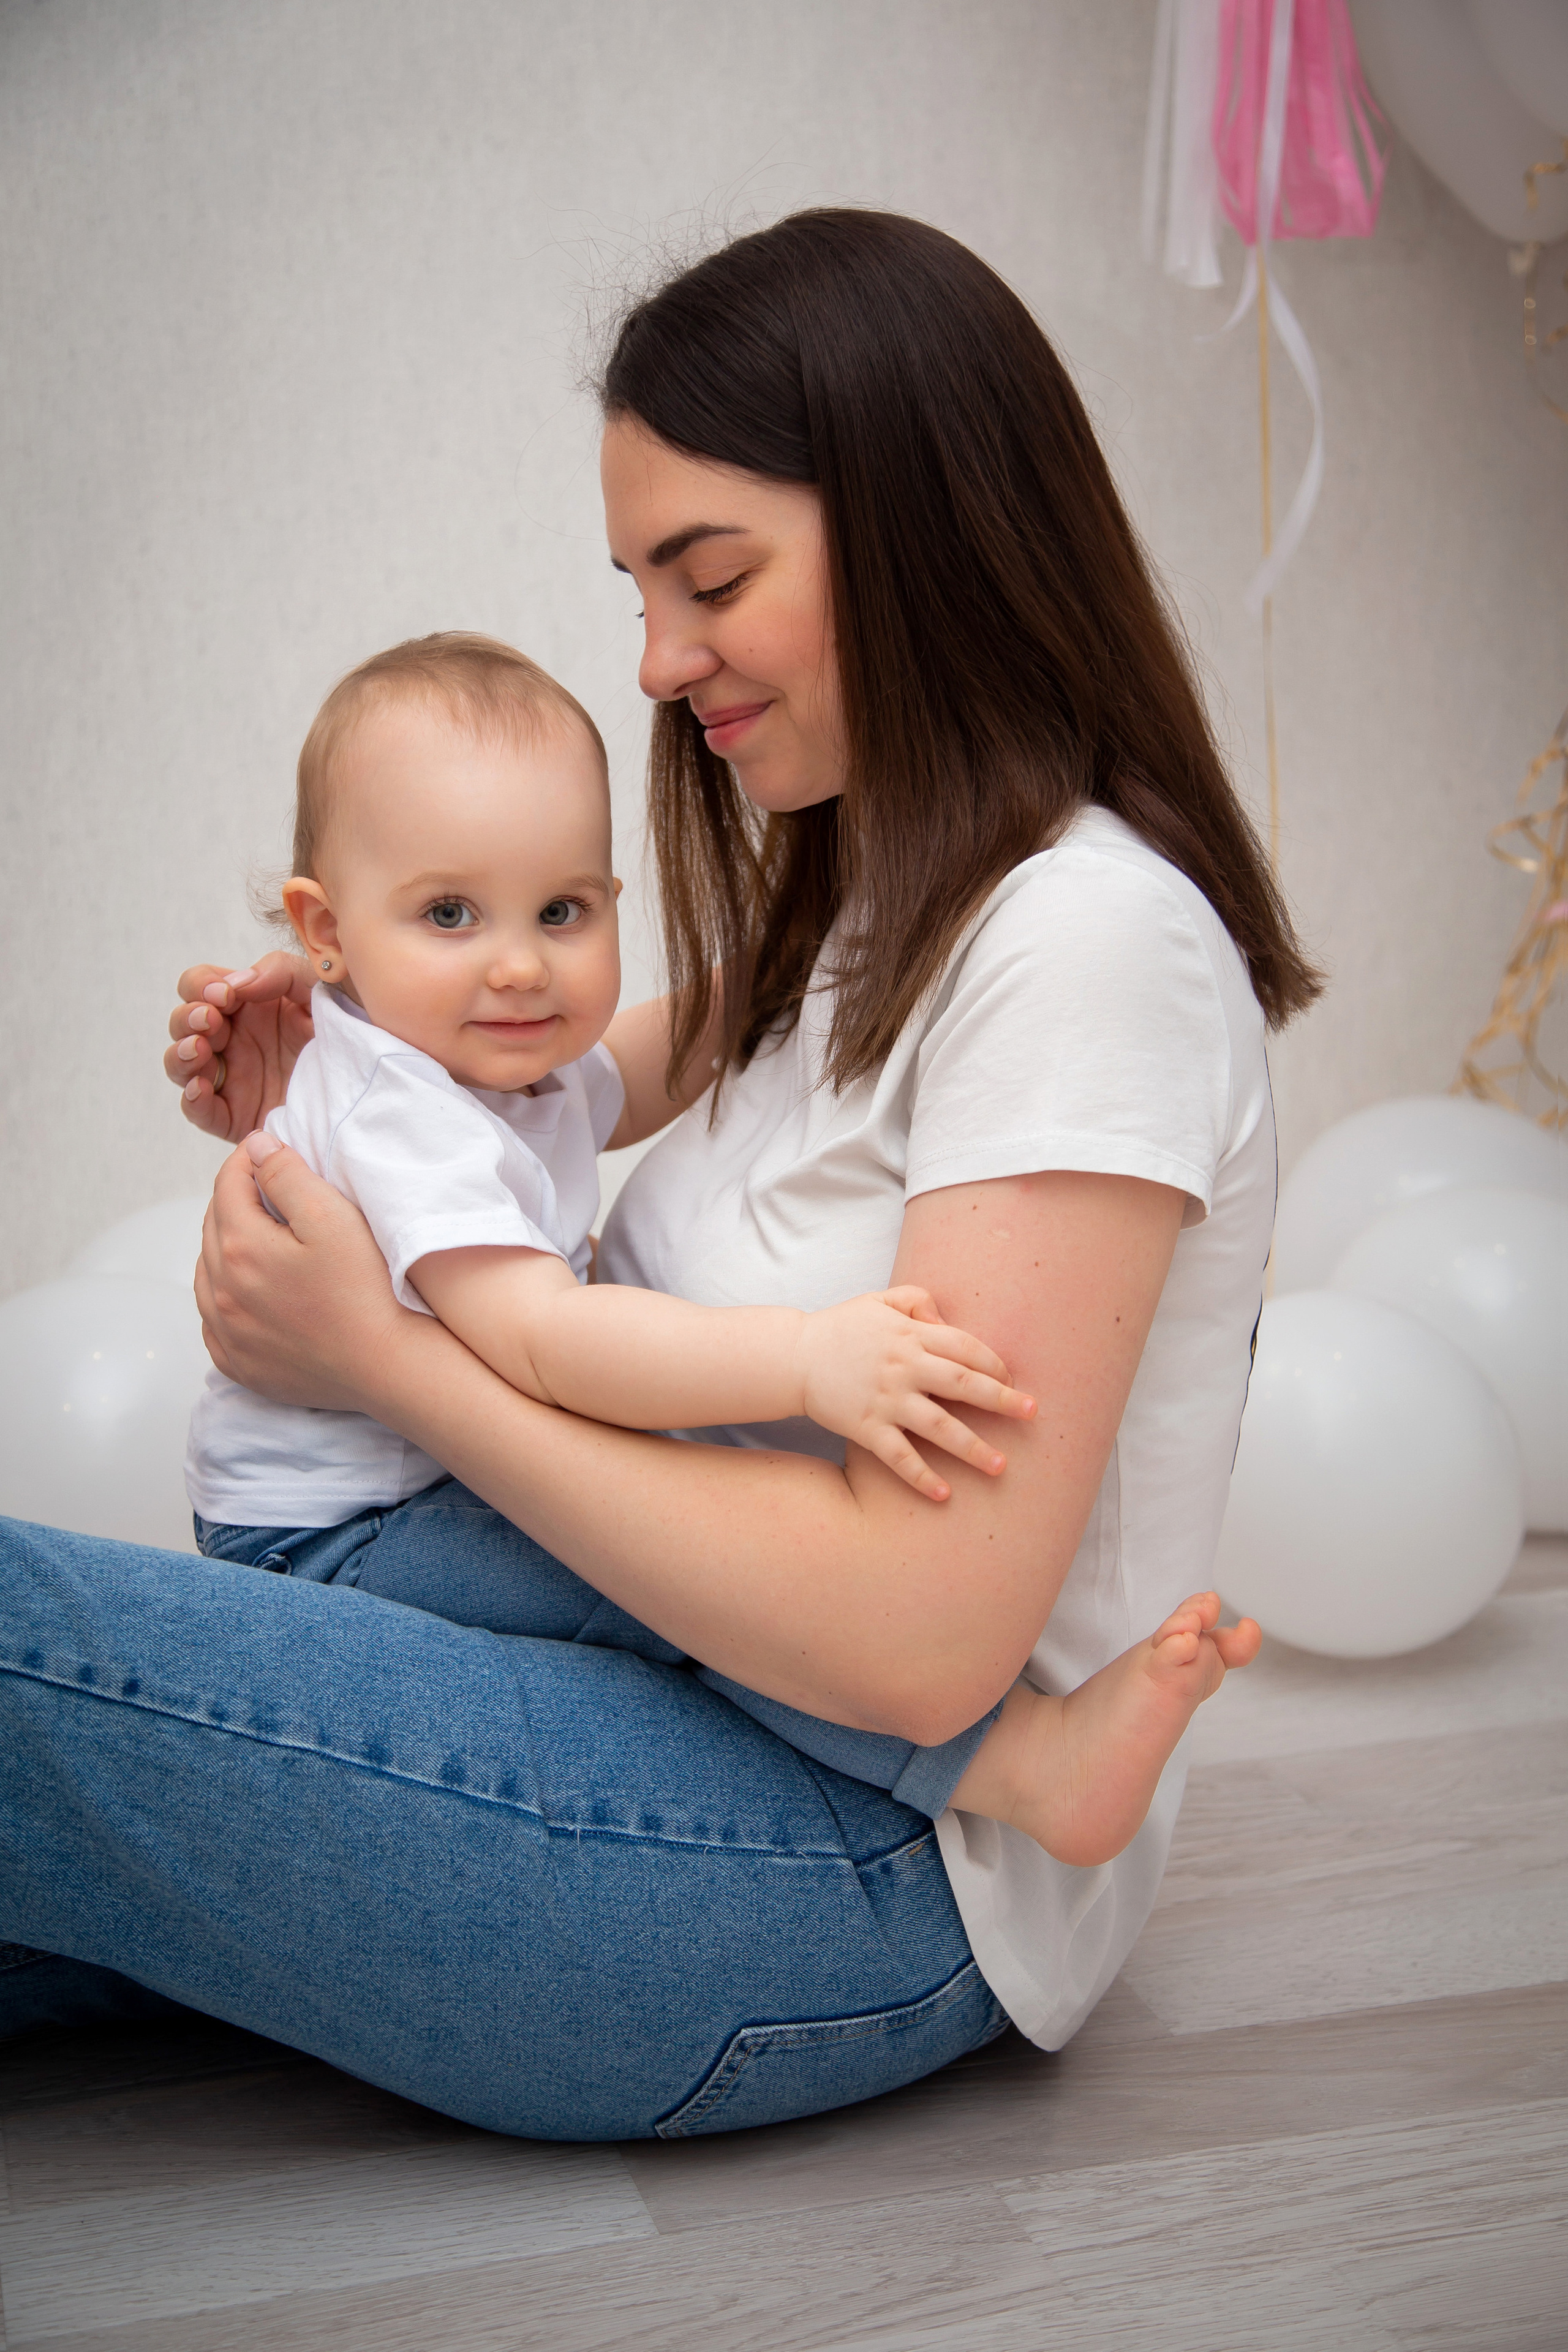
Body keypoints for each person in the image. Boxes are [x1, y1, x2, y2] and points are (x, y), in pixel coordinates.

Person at [0, 209, 1309, 2142]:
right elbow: (562, 1076)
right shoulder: (872, 906)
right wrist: (343, 1061)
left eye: (709, 580)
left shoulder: (1084, 945)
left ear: (922, 527)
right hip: (684, 1725)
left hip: (858, 1864)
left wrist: (380, 1354)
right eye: (637, 591)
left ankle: (1023, 1773)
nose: (657, 660)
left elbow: (926, 1633)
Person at [188, 623, 1245, 1863]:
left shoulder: (485, 1056)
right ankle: (1019, 1764)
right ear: (324, 929)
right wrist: (802, 1359)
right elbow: (544, 1340)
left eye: (563, 910)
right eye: (450, 913)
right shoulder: (399, 1112)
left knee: (674, 1575)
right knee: (655, 1595)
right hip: (342, 1535)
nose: (520, 966)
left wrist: (785, 967)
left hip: (420, 1484)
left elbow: (634, 1070)